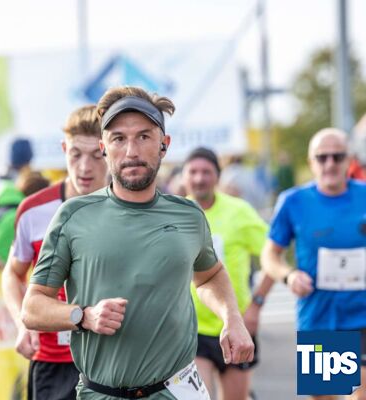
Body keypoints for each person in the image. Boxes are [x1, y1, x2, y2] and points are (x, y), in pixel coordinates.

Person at [21, 86, 254, 400]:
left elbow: (209, 275)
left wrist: (232, 318)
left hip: (176, 389)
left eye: (144, 136)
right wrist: (83, 316)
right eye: (119, 138)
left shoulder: (188, 215)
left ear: (164, 144)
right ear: (104, 147)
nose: (131, 151)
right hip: (101, 392)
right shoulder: (73, 216)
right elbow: (32, 307)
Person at [2, 105, 108, 400]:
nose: (85, 167)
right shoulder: (33, 210)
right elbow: (12, 273)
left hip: (111, 359)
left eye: (96, 155)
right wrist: (22, 324)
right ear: (64, 149)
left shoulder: (129, 206)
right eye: (76, 154)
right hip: (53, 361)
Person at [261, 128, 366, 400]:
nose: (330, 164)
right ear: (311, 162)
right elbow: (270, 255)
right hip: (320, 316)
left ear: (349, 159)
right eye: (322, 157)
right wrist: (289, 275)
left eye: (337, 156)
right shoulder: (293, 201)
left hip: (362, 314)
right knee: (323, 396)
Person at [182, 147, 273, 400]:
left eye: (206, 172)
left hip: (235, 324)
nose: (199, 178)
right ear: (184, 176)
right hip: (192, 329)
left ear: (218, 176)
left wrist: (256, 305)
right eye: (193, 172)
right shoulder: (176, 213)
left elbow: (272, 256)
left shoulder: (238, 211)